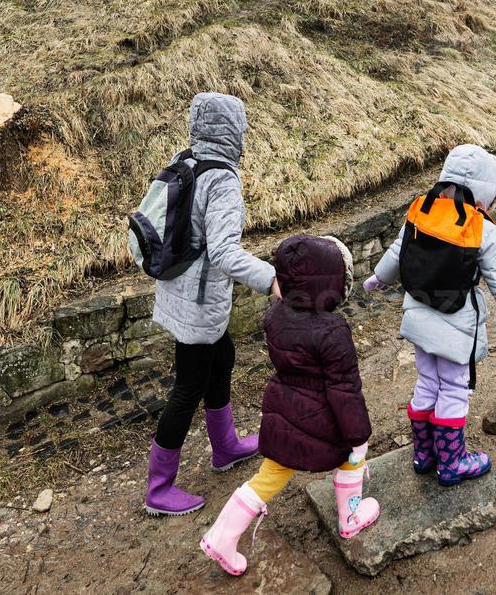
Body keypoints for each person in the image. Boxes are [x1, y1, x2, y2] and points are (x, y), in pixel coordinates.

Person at [363, 145, 496, 486]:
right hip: (456, 324)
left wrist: (378, 276)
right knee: (455, 389)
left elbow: (398, 250)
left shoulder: (422, 210)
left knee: (427, 382)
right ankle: (453, 461)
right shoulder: (482, 228)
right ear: (488, 191)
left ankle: (424, 453)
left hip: (417, 318)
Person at [201, 235, 377, 576]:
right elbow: (345, 390)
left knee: (269, 476)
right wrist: (358, 434)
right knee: (354, 453)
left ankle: (220, 536)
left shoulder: (276, 315)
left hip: (285, 411)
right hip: (324, 420)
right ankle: (350, 517)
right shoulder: (333, 330)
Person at [145, 93, 279, 517]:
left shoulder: (184, 161)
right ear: (234, 132)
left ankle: (225, 446)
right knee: (188, 387)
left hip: (178, 289)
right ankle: (158, 489)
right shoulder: (222, 180)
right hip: (199, 300)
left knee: (223, 357)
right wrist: (272, 278)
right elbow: (223, 252)